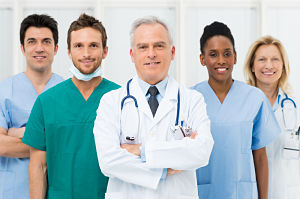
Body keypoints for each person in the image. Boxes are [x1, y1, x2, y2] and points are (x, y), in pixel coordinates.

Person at [93, 16, 214, 199]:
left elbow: (201, 151)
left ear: (172, 52)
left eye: (159, 46)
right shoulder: (111, 101)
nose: (151, 54)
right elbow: (108, 161)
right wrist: (165, 169)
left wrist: (141, 150)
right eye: (143, 47)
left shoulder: (192, 100)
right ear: (132, 55)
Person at [22, 13, 119, 199]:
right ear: (68, 51)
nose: (86, 54)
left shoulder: (120, 99)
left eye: (93, 45)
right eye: (78, 46)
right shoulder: (47, 101)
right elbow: (38, 166)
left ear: (105, 51)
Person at [192, 22, 281, 199]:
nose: (221, 60)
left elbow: (260, 157)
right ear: (202, 59)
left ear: (235, 57)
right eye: (213, 54)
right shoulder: (191, 98)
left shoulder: (255, 98)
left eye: (227, 53)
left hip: (243, 193)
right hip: (202, 193)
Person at [0, 14, 63, 199]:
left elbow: (72, 143)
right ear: (22, 48)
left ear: (56, 48)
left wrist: (18, 133)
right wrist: (50, 140)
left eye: (46, 41)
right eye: (32, 41)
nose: (39, 48)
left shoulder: (68, 92)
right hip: (13, 190)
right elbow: (1, 146)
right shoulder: (4, 90)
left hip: (56, 189)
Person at [244, 35, 300, 199]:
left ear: (283, 66)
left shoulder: (295, 107)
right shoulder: (241, 106)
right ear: (252, 66)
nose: (269, 65)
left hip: (289, 192)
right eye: (262, 59)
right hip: (251, 192)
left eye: (275, 59)